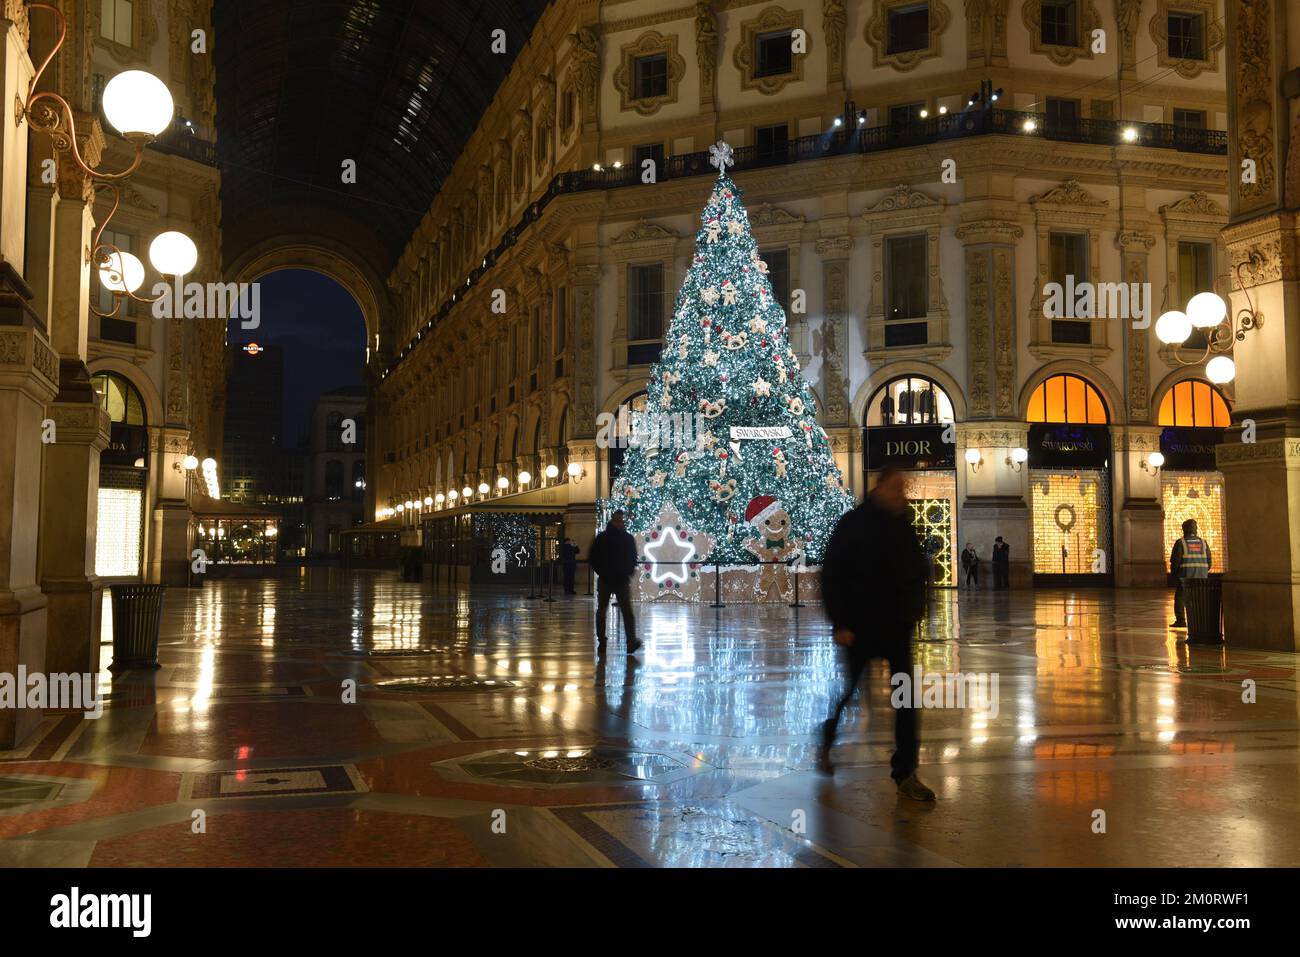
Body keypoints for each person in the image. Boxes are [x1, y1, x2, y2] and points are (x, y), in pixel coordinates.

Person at [818, 465, 935, 802]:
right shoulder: (853, 524)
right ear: (880, 488)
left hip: (897, 627)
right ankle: (828, 736)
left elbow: (918, 573)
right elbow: (832, 575)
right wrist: (840, 623)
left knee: (906, 699)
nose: (903, 494)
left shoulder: (905, 525)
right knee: (851, 691)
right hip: (860, 627)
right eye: (897, 487)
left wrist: (915, 611)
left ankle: (906, 772)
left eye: (904, 488)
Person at [588, 511, 641, 653]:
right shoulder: (625, 538)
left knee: (603, 611)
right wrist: (627, 571)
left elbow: (593, 557)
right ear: (615, 521)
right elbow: (632, 557)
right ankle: (629, 641)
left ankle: (604, 641)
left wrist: (603, 571)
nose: (622, 523)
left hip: (610, 579)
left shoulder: (602, 537)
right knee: (623, 612)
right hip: (617, 579)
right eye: (620, 521)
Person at [1169, 518, 1211, 629]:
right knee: (1199, 599)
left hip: (1185, 577)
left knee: (1180, 598)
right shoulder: (1203, 543)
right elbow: (1209, 561)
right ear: (1195, 530)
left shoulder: (1180, 543)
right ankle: (1200, 620)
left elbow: (1175, 561)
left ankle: (1181, 620)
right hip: (1201, 577)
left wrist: (1174, 575)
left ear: (1184, 530)